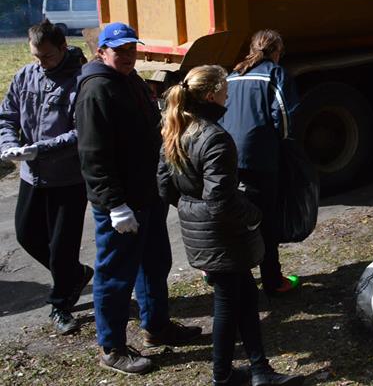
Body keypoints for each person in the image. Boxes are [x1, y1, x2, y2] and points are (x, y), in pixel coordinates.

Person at [158, 65, 304, 386]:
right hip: (222, 234)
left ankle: (259, 369)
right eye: (225, 90)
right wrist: (254, 216)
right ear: (212, 95)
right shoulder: (214, 138)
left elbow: (165, 186)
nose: (228, 96)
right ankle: (222, 376)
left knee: (246, 295)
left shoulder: (176, 129)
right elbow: (220, 200)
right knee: (227, 302)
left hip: (202, 230)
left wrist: (191, 208)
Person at [75, 22, 200, 375]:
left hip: (147, 195)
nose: (128, 56)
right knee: (115, 276)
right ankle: (111, 347)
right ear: (102, 52)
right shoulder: (97, 90)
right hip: (121, 204)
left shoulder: (128, 80)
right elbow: (93, 156)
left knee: (154, 263)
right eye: (120, 51)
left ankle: (157, 326)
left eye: (131, 49)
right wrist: (114, 205)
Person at [0, 20, 91, 335]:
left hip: (68, 179)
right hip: (31, 175)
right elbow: (8, 115)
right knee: (27, 235)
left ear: (63, 48)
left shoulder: (80, 81)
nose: (41, 63)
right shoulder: (27, 75)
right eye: (36, 57)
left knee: (62, 245)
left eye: (47, 57)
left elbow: (81, 133)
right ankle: (75, 275)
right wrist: (9, 145)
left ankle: (61, 305)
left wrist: (40, 149)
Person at [221, 30, 300, 295]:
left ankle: (225, 274)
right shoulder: (275, 74)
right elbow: (285, 116)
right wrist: (286, 146)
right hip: (261, 156)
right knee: (266, 219)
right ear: (277, 51)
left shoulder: (233, 75)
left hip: (229, 155)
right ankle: (273, 280)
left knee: (236, 217)